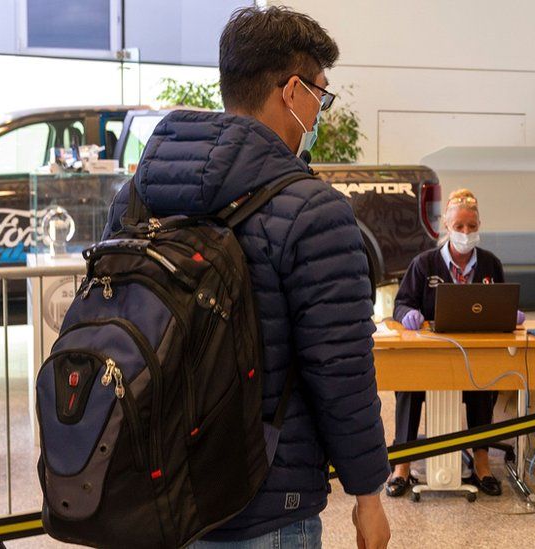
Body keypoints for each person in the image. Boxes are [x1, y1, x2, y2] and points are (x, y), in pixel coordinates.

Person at [101, 6, 390, 549]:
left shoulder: (138, 195)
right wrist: (369, 495)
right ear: (292, 92)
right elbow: (341, 368)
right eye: (321, 96)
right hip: (263, 503)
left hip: (153, 491)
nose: (320, 110)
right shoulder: (314, 211)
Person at [387, 189, 525, 498]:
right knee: (408, 382)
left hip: (473, 356)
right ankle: (402, 466)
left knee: (484, 381)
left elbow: (501, 303)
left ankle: (481, 463)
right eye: (459, 227)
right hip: (429, 355)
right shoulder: (424, 264)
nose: (465, 233)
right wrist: (408, 313)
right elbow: (400, 304)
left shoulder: (490, 264)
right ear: (446, 227)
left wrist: (510, 314)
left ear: (479, 226)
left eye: (471, 226)